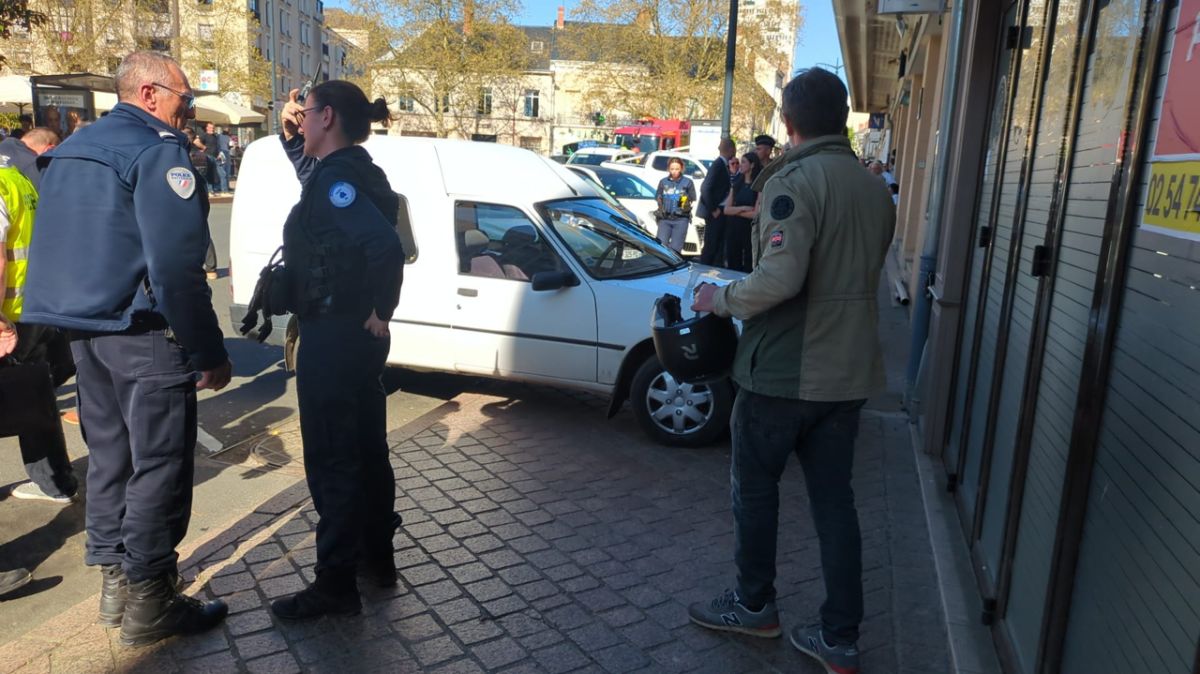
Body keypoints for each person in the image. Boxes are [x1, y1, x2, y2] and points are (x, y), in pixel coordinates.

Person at [21, 51, 232, 647]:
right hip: (142, 332)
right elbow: (175, 266)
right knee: (158, 466)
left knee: (111, 459)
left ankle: (116, 584)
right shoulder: (157, 151)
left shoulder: (70, 149)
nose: (186, 111)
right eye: (183, 99)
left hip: (86, 332)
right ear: (148, 93)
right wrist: (208, 349)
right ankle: (150, 600)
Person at [688, 67, 895, 674]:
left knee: (754, 492)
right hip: (847, 374)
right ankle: (840, 638)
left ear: (789, 122)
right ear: (843, 116)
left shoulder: (792, 184)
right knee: (836, 506)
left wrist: (718, 299)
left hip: (784, 373)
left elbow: (782, 279)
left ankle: (755, 606)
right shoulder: (871, 187)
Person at [269, 80, 404, 620]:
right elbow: (321, 192)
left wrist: (383, 307)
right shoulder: (350, 171)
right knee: (367, 449)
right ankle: (377, 558)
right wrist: (290, 137)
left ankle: (335, 584)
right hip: (353, 336)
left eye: (306, 114)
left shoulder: (337, 182)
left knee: (333, 456)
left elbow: (384, 246)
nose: (300, 121)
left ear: (327, 117)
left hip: (336, 334)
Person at [0, 152, 80, 506]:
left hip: (10, 316)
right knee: (35, 396)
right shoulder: (17, 180)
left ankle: (54, 482)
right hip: (32, 306)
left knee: (28, 396)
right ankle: (55, 481)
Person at [720, 151, 763, 273]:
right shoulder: (737, 183)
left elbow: (755, 213)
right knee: (733, 259)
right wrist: (742, 208)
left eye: (743, 162)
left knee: (749, 260)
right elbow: (726, 209)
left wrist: (736, 211)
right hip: (734, 227)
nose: (740, 165)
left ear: (752, 165)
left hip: (749, 229)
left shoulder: (758, 185)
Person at [699, 138, 735, 267]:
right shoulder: (718, 164)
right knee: (712, 244)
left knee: (717, 244)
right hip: (715, 212)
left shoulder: (723, 164)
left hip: (720, 211)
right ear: (731, 149)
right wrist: (713, 209)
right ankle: (704, 268)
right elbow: (705, 188)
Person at [653, 157, 696, 253]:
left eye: (677, 169)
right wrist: (660, 205)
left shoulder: (688, 182)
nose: (674, 171)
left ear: (681, 168)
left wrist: (683, 202)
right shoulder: (663, 182)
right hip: (665, 219)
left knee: (675, 249)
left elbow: (692, 198)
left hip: (681, 219)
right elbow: (658, 196)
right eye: (672, 169)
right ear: (668, 169)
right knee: (661, 246)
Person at [215, 126, 232, 193]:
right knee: (223, 171)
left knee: (227, 170)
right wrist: (219, 152)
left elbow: (227, 145)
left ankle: (227, 186)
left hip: (227, 152)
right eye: (226, 129)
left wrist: (230, 146)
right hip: (222, 152)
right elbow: (218, 145)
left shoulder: (228, 137)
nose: (228, 131)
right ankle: (223, 188)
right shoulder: (219, 136)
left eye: (228, 130)